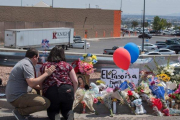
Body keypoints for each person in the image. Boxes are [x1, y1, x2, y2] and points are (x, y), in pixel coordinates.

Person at [5, 48, 56, 120]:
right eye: (38, 58)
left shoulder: (23, 62)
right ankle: (20, 112)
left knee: (36, 91)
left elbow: (32, 84)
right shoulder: (27, 65)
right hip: (16, 97)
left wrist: (43, 87)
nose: (38, 60)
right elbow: (32, 83)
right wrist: (46, 74)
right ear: (34, 57)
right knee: (45, 103)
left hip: (14, 94)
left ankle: (24, 111)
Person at [39, 46, 78, 120]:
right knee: (67, 110)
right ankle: (70, 117)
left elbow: (40, 80)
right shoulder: (67, 65)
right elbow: (75, 81)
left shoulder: (45, 66)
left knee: (53, 111)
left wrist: (43, 91)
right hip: (67, 90)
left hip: (52, 91)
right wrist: (74, 93)